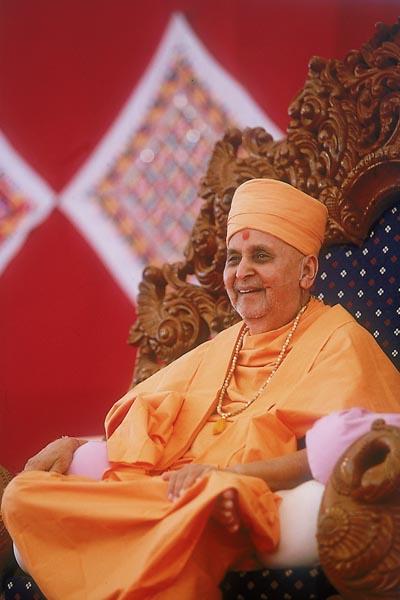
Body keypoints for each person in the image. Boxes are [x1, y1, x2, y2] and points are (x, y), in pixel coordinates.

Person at [2, 178, 399, 600]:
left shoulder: (341, 340)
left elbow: (353, 451)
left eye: (261, 256)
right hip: (165, 491)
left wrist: (229, 476)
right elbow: (142, 438)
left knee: (202, 502)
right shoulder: (222, 346)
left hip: (238, 495)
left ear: (306, 271)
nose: (241, 272)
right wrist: (75, 445)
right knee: (23, 494)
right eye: (233, 258)